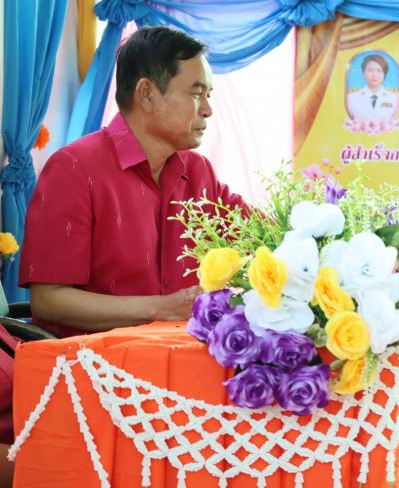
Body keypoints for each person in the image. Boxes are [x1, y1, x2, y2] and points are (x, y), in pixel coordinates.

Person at [19, 26, 247, 338]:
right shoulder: (73, 168)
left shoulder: (198, 171)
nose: (207, 110)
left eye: (208, 95)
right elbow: (49, 302)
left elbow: (257, 234)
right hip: (94, 360)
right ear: (146, 94)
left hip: (180, 353)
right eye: (196, 94)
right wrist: (161, 308)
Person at [346, 54, 399, 122]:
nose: (374, 75)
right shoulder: (351, 98)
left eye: (379, 71)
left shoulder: (394, 98)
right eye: (370, 70)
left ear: (384, 74)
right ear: (363, 72)